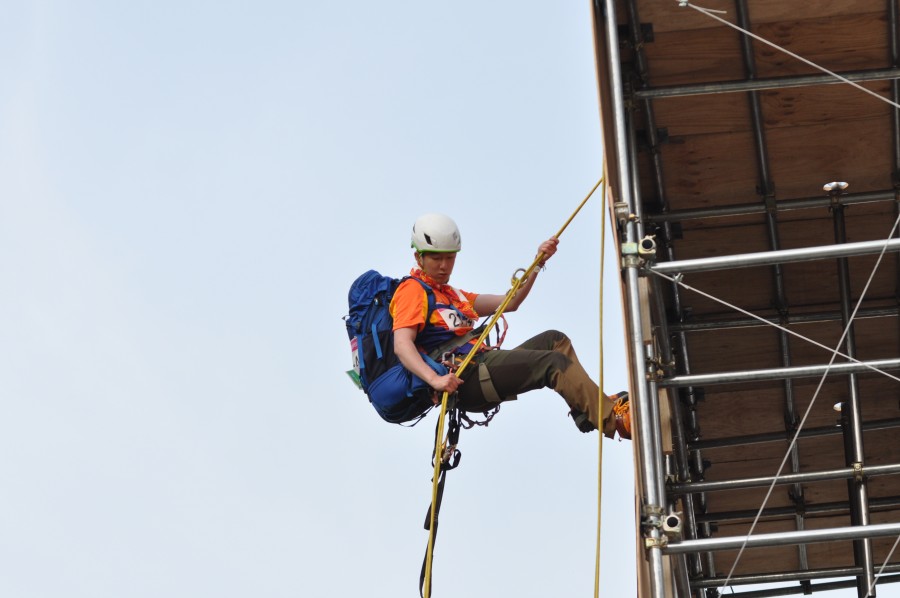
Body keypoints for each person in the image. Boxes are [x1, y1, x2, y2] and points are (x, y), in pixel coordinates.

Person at [389, 213, 630, 438]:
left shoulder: (453, 296)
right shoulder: (413, 290)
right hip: (465, 378)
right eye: (436, 258)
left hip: (480, 364)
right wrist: (435, 380)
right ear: (419, 258)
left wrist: (537, 263)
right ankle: (614, 420)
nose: (444, 265)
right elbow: (402, 344)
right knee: (552, 363)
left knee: (554, 340)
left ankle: (585, 408)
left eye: (450, 257)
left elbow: (510, 302)